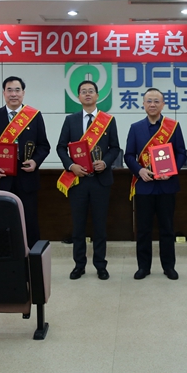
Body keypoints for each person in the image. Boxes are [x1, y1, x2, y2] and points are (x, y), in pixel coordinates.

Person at [56, 80, 121, 281]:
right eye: (83, 91)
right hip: (78, 180)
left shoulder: (108, 120)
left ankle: (100, 265)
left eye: (91, 91)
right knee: (78, 226)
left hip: (101, 181)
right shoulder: (71, 120)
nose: (87, 94)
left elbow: (115, 148)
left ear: (97, 95)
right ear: (78, 97)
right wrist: (71, 166)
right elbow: (60, 147)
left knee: (100, 226)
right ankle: (79, 265)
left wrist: (106, 162)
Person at [0, 76, 51, 245]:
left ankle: (31, 257)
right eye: (9, 90)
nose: (13, 94)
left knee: (29, 220)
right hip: (2, 177)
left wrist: (35, 161)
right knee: (3, 220)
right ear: (3, 93)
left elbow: (44, 146)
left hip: (27, 176)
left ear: (23, 93)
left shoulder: (34, 116)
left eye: (17, 90)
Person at [124, 88, 187, 280]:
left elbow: (181, 153)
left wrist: (172, 170)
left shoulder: (173, 126)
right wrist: (139, 170)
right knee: (143, 229)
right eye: (149, 101)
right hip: (144, 185)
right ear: (143, 104)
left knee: (167, 228)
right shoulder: (136, 128)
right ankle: (143, 267)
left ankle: (169, 267)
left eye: (156, 101)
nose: (152, 104)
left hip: (167, 186)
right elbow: (128, 155)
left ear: (163, 104)